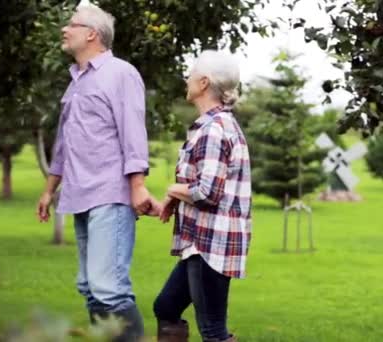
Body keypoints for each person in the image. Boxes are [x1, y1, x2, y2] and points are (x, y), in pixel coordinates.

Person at [36, 4, 158, 341]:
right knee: (89, 287)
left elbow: (133, 132)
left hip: (109, 193)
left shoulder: (121, 73)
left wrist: (138, 186)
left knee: (109, 288)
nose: (64, 29)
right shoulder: (75, 81)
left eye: (71, 25)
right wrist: (49, 189)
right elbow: (64, 142)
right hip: (80, 195)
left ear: (92, 34)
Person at [152, 50, 252, 342]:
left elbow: (208, 192)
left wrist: (172, 190)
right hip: (200, 241)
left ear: (204, 82)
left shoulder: (214, 130)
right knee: (167, 306)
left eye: (191, 73)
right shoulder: (215, 126)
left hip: (211, 244)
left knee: (213, 330)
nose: (187, 78)